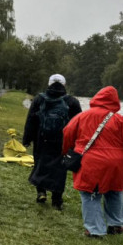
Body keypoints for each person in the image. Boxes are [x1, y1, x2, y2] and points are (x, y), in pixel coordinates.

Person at [63, 86, 123, 237]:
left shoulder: (83, 116)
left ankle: (95, 230)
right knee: (114, 191)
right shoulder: (120, 120)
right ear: (115, 101)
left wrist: (66, 151)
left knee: (90, 194)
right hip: (116, 164)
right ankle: (116, 224)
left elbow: (67, 133)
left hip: (91, 163)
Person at [23, 74, 82, 210]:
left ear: (49, 84)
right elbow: (78, 124)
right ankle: (57, 199)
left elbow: (31, 120)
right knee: (59, 169)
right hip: (62, 141)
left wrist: (27, 139)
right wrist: (77, 143)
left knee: (40, 164)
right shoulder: (72, 101)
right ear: (64, 85)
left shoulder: (39, 99)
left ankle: (41, 192)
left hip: (41, 139)